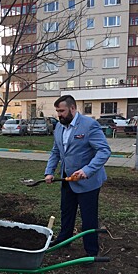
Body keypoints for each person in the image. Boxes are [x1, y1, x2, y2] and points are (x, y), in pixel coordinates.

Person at [44, 95, 111, 257]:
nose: (59, 115)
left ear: (73, 108)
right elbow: (56, 152)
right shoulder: (59, 127)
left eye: (62, 111)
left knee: (88, 218)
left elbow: (104, 151)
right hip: (67, 179)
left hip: (88, 182)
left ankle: (91, 252)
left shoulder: (89, 125)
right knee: (66, 212)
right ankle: (64, 239)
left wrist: (87, 171)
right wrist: (49, 171)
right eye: (57, 111)